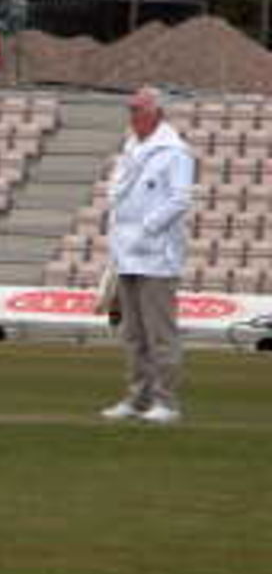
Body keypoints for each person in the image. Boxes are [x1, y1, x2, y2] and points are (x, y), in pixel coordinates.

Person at [100, 87, 194, 425]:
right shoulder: (131, 147)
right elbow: (118, 197)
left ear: (155, 113)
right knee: (134, 334)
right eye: (130, 109)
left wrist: (148, 228)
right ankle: (138, 397)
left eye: (137, 109)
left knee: (160, 334)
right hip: (127, 253)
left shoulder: (175, 152)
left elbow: (180, 199)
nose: (132, 116)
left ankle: (166, 402)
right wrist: (118, 240)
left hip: (157, 256)